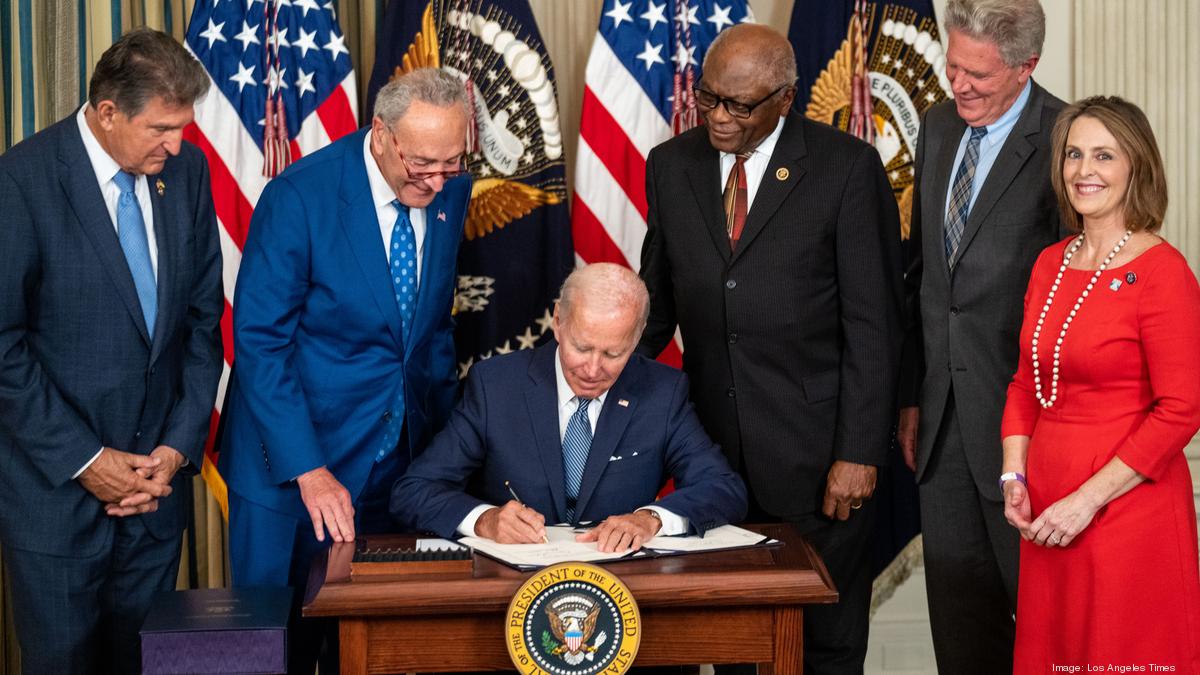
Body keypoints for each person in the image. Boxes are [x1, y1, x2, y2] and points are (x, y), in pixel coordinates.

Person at [638, 23, 902, 674]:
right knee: (735, 641)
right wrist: (583, 376)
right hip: (713, 462)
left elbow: (874, 323)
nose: (719, 117)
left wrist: (859, 452)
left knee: (825, 645)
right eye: (709, 98)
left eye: (740, 105)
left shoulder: (845, 168)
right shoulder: (672, 165)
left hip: (818, 461)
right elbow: (655, 306)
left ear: (785, 99)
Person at [220, 67, 469, 671]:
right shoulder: (299, 197)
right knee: (278, 650)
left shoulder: (447, 191)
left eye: (453, 162)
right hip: (294, 468)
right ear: (380, 134)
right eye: (422, 163)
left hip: (397, 462)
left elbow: (430, 332)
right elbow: (260, 343)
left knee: (373, 648)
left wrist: (445, 452)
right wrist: (309, 470)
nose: (437, 180)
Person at [0, 28, 223, 674]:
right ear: (106, 113)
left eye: (183, 126)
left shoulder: (187, 173)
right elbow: (4, 345)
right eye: (161, 128)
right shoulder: (21, 182)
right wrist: (87, 458)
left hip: (155, 503)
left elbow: (204, 325)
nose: (177, 144)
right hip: (56, 507)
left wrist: (177, 447)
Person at [1000, 96, 1200, 671]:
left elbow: (1182, 410)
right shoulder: (1049, 263)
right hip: (1046, 514)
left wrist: (1086, 501)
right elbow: (1024, 384)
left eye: (1104, 156)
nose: (1085, 170)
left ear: (1136, 166)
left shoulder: (1163, 272)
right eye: (1074, 154)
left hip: (1125, 512)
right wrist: (1015, 473)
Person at [895, 0, 1064, 670]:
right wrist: (914, 396)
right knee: (963, 638)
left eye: (979, 76)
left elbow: (1071, 300)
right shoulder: (938, 125)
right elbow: (924, 278)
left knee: (1043, 633)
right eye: (952, 65)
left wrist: (1049, 428)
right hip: (941, 428)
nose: (957, 85)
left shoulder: (1066, 138)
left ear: (1027, 67)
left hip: (1030, 432)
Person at [392, 263, 747, 552]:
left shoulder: (662, 392)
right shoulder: (496, 386)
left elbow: (723, 488)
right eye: (582, 347)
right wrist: (486, 520)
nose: (593, 370)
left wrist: (650, 518)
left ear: (636, 339)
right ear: (558, 322)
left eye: (613, 354)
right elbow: (414, 491)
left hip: (624, 590)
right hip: (507, 589)